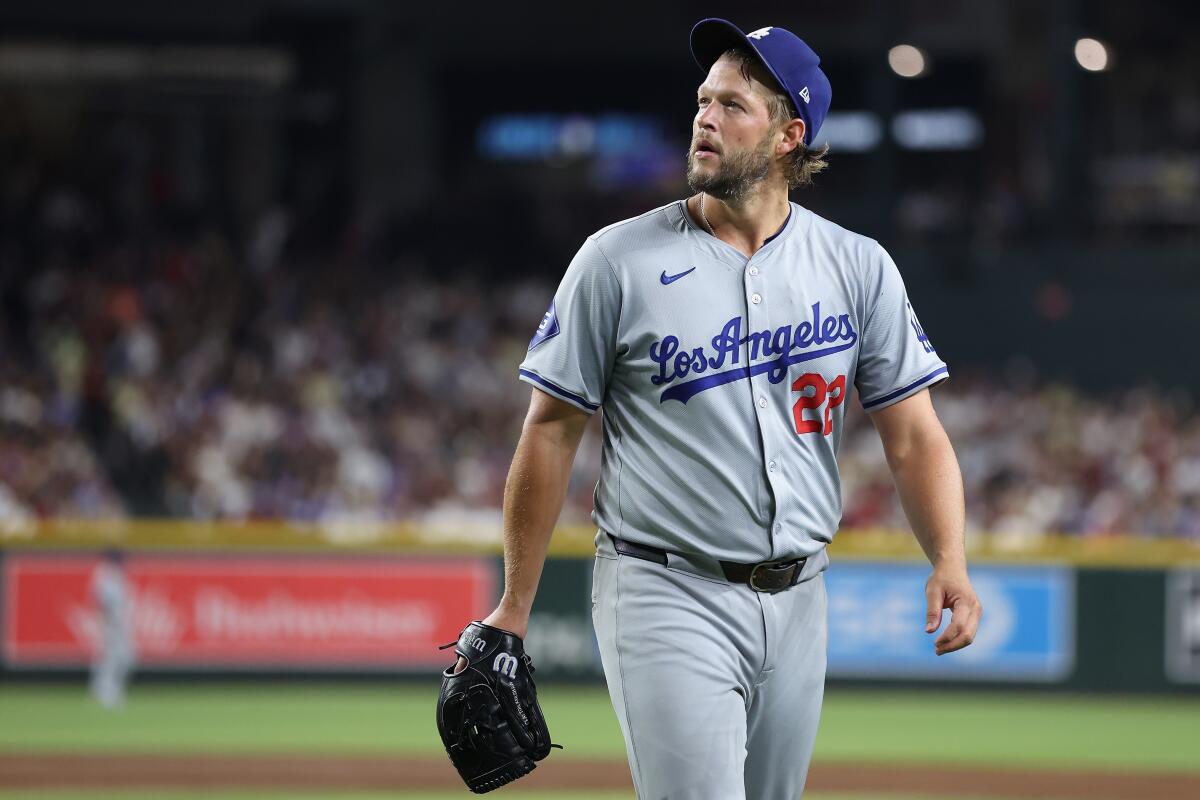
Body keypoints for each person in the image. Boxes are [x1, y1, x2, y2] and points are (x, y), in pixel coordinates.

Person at [475, 18, 982, 799]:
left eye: (733, 104)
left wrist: (948, 556)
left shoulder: (857, 266)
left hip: (801, 595)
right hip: (663, 588)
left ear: (790, 134)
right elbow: (549, 433)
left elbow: (914, 437)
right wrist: (513, 607)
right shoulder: (616, 261)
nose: (705, 117)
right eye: (702, 100)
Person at [89, 548, 137, 709]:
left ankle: (107, 690)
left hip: (120, 622)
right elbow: (101, 601)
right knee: (110, 658)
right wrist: (108, 621)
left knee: (124, 658)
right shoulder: (105, 573)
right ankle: (105, 692)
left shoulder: (117, 574)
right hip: (110, 622)